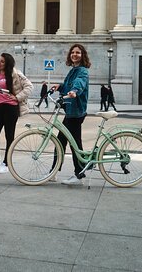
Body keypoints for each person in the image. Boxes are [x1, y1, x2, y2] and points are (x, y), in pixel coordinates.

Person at [0, 53, 33, 174]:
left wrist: (17, 97)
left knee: (9, 136)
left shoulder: (15, 73)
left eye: (2, 61)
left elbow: (29, 87)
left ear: (7, 63)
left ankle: (6, 164)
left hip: (11, 108)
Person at [51, 43, 91, 186]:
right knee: (61, 141)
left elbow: (79, 83)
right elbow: (68, 85)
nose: (75, 54)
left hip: (76, 112)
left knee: (74, 144)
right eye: (73, 52)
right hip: (70, 111)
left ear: (83, 56)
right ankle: (54, 171)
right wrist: (59, 87)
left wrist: (75, 91)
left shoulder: (82, 71)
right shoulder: (73, 70)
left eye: (78, 53)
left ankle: (79, 174)